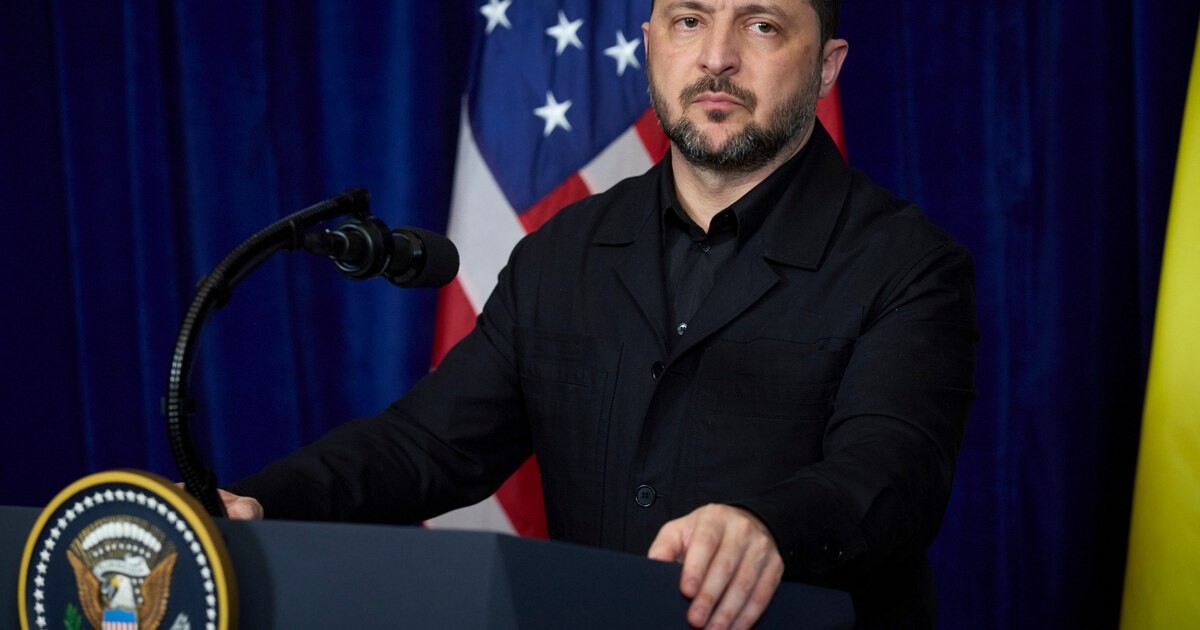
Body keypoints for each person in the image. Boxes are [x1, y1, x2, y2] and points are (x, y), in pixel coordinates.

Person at [222, 0, 978, 627]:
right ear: (650, 45)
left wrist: (772, 526)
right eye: (688, 21)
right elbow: (428, 445)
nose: (716, 57)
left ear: (827, 67)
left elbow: (894, 469)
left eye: (761, 25)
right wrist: (262, 502)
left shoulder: (909, 263)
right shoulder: (562, 252)